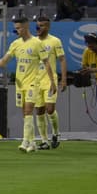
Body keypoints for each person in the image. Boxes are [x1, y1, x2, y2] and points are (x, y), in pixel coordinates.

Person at [0, 16, 55, 153]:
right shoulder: (16, 44)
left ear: (25, 27)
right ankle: (32, 143)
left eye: (18, 28)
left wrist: (52, 82)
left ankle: (25, 141)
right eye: (15, 28)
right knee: (25, 113)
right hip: (20, 83)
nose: (16, 30)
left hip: (33, 82)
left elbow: (47, 62)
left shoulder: (36, 43)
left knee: (29, 110)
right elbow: (4, 61)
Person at [33, 16, 67, 148]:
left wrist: (63, 79)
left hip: (50, 80)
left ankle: (56, 133)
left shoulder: (54, 41)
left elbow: (62, 60)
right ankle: (44, 140)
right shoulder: (33, 42)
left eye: (41, 25)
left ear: (47, 27)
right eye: (37, 25)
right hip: (36, 81)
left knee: (50, 108)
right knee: (39, 110)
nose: (38, 28)